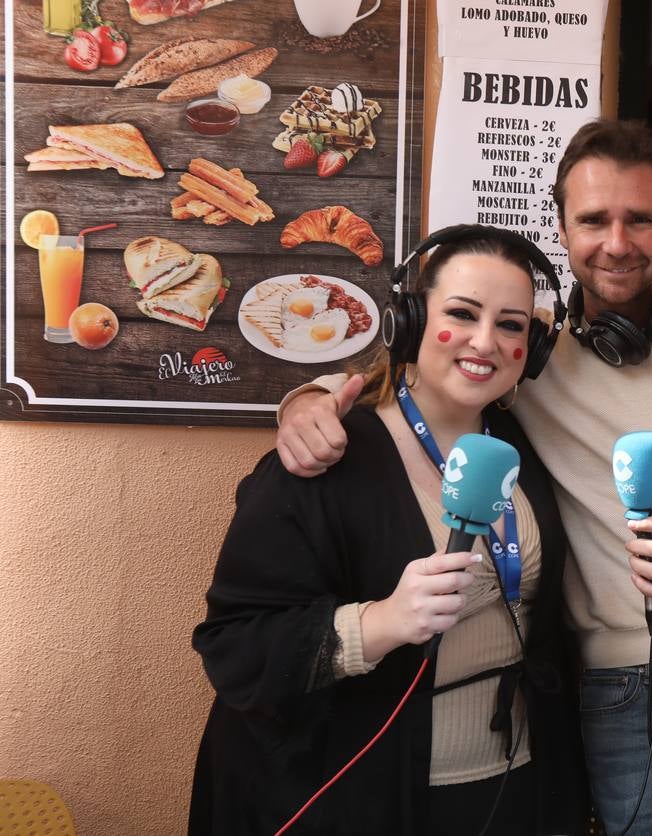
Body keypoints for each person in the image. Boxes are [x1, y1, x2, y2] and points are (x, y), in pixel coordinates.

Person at [274, 120, 652, 833]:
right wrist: (308, 398)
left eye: (639, 219)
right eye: (593, 220)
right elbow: (422, 375)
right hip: (627, 684)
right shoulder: (529, 356)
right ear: (562, 228)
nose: (615, 242)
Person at [190, 226, 586, 835]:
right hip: (364, 794)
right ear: (408, 321)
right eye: (462, 313)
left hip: (510, 785)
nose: (486, 341)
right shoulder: (325, 458)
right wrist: (383, 621)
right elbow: (235, 646)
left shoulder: (518, 447)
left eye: (511, 325)